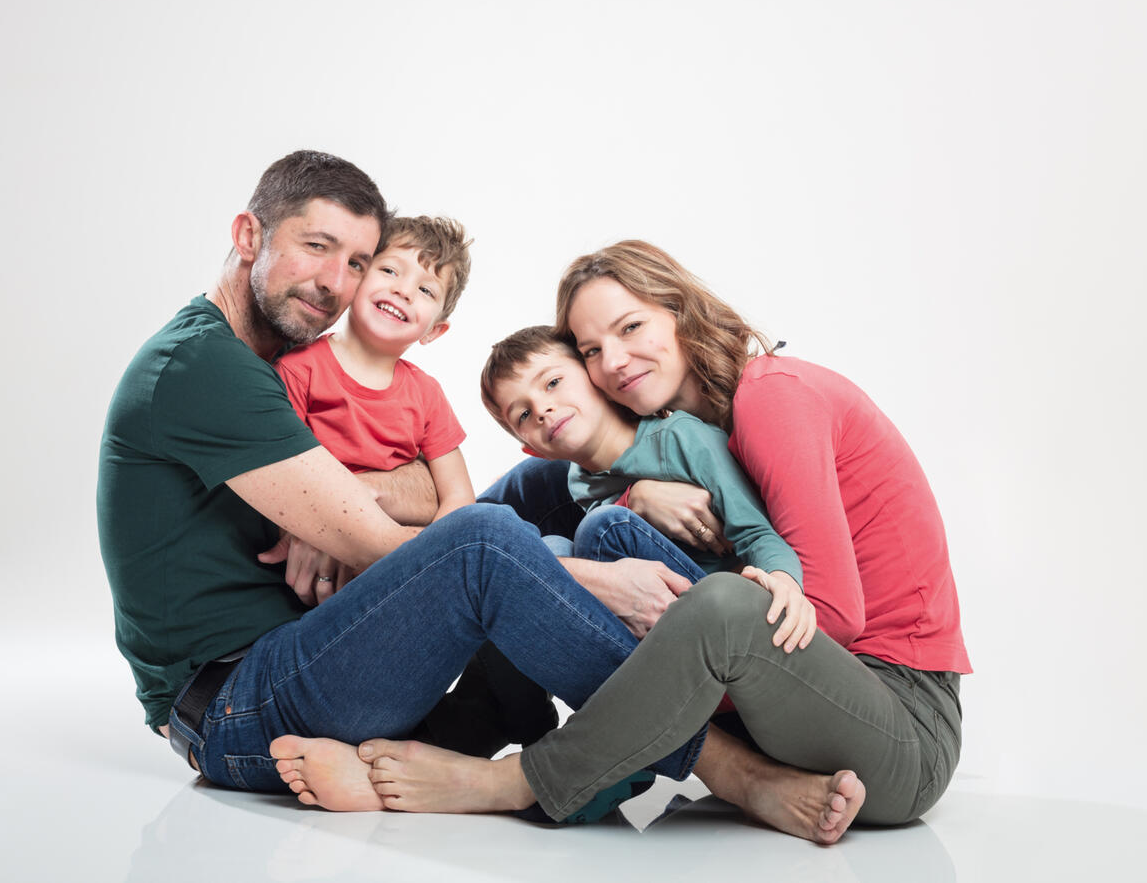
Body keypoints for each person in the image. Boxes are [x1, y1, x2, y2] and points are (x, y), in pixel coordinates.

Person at [95, 154, 708, 811]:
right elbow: (404, 545)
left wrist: (344, 496)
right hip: (236, 706)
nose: (336, 281)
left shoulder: (277, 359)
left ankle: (493, 714)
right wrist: (597, 582)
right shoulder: (205, 365)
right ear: (250, 237)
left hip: (322, 637)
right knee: (482, 540)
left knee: (539, 484)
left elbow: (422, 495)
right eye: (316, 247)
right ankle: (731, 764)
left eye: (357, 262)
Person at [355, 240, 970, 844]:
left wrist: (627, 608)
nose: (616, 361)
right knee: (561, 529)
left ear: (679, 311)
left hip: (897, 723)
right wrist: (349, 514)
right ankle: (475, 719)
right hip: (776, 719)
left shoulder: (771, 396)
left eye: (631, 327)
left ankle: (517, 781)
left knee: (718, 604)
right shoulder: (641, 452)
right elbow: (472, 532)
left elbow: (831, 616)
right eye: (593, 350)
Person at [479, 324, 814, 653]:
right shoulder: (579, 482)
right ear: (531, 449)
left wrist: (784, 585)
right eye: (523, 414)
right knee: (548, 551)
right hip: (647, 620)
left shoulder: (681, 438)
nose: (542, 410)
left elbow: (758, 535)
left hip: (727, 614)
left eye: (553, 383)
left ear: (596, 377)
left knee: (602, 527)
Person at [270, 216, 476, 590]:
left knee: (510, 526)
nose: (404, 291)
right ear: (356, 277)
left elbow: (459, 496)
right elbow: (280, 482)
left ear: (435, 331)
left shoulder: (426, 392)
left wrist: (433, 561)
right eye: (389, 271)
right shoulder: (299, 370)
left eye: (426, 291)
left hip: (406, 567)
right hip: (318, 568)